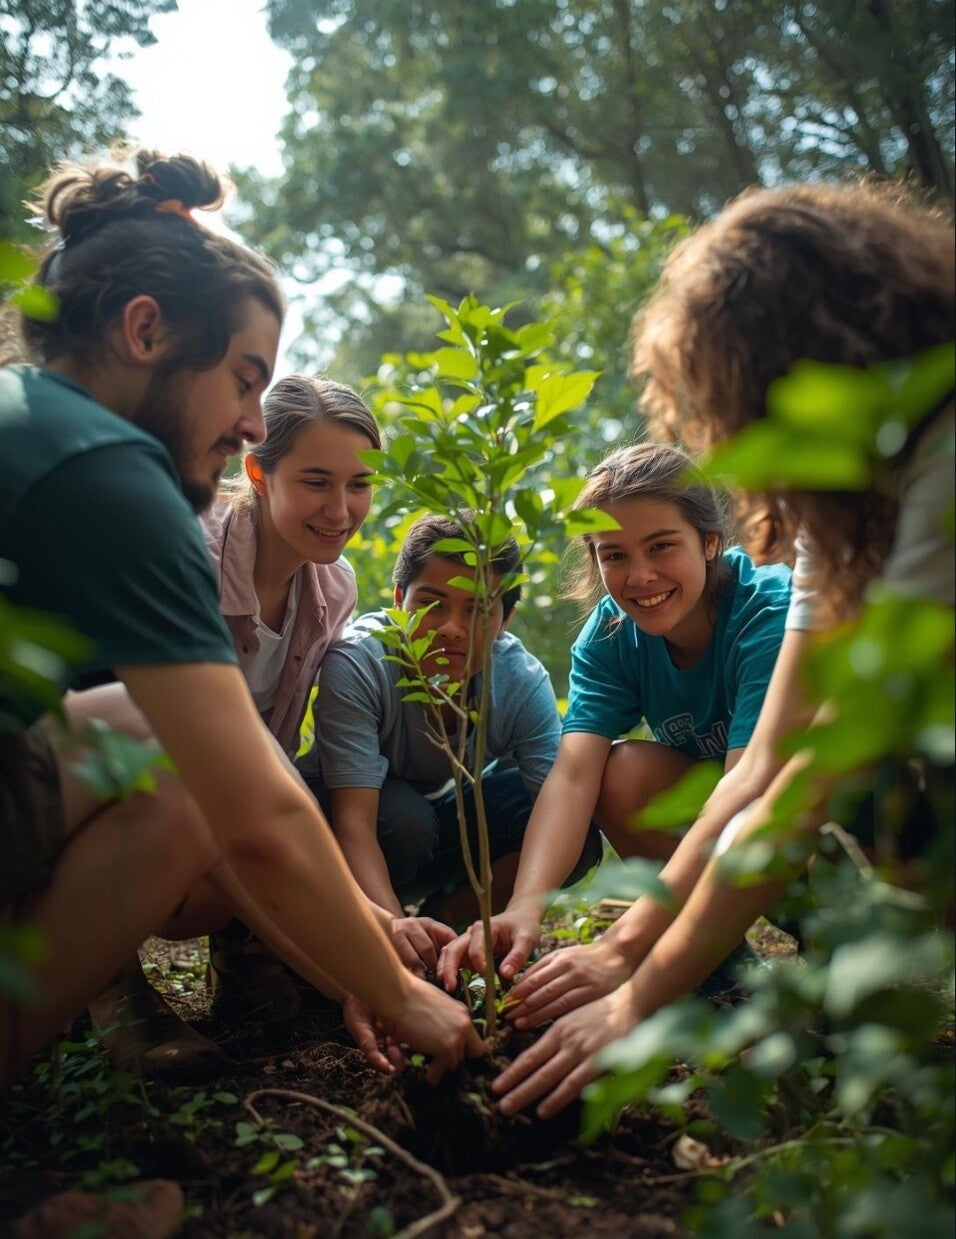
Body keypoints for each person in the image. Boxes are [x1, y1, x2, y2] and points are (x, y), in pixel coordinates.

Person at [0, 146, 482, 1099]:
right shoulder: (111, 474)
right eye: (243, 378)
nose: (253, 422)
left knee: (151, 749)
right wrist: (396, 992)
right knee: (187, 774)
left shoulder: (31, 417)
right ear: (145, 331)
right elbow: (252, 811)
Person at [481, 179, 954, 1120]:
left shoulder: (937, 463)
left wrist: (634, 986)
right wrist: (621, 957)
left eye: (723, 403)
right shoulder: (840, 526)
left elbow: (798, 787)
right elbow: (763, 770)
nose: (724, 437)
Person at [439, 442, 791, 991]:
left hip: (807, 827)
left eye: (661, 546)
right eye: (615, 555)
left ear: (710, 542)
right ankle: (718, 970)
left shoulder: (767, 616)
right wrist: (525, 906)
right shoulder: (609, 637)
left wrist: (623, 946)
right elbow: (574, 775)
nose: (640, 576)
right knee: (619, 771)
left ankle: (828, 940)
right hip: (726, 840)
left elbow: (749, 789)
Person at [298, 512, 602, 940]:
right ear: (399, 599)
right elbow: (355, 822)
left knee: (573, 830)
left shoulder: (518, 681)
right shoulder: (360, 662)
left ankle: (450, 924)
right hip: (358, 828)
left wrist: (522, 912)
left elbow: (559, 808)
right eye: (431, 603)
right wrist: (394, 934)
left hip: (442, 819)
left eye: (477, 609)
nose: (452, 629)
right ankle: (362, 927)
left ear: (506, 619)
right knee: (404, 819)